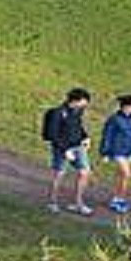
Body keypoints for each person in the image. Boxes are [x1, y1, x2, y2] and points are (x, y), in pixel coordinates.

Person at [42, 87, 95, 215]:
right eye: (84, 101)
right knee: (59, 174)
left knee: (84, 172)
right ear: (75, 100)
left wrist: (85, 137)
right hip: (62, 148)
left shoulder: (77, 112)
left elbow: (78, 127)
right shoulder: (58, 113)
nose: (85, 104)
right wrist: (65, 150)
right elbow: (52, 134)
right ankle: (52, 202)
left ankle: (78, 203)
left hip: (78, 147)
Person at [100, 94, 131, 213]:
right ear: (126, 106)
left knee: (122, 176)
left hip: (129, 151)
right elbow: (107, 136)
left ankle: (118, 198)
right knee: (126, 174)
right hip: (117, 151)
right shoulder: (114, 119)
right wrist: (104, 152)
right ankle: (119, 199)